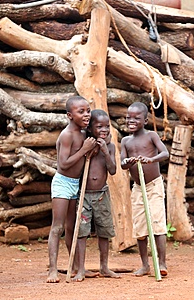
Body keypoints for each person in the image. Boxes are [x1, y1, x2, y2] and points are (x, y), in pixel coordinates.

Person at [47, 95, 97, 283]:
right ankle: (52, 270)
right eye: (81, 111)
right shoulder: (67, 135)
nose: (86, 114)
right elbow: (64, 164)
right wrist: (84, 150)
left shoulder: (85, 134)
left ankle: (75, 267)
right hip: (63, 183)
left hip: (76, 184)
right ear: (69, 115)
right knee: (57, 227)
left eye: (88, 110)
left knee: (71, 227)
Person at [120, 102, 169, 277]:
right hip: (138, 188)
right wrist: (128, 162)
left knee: (157, 224)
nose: (131, 120)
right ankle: (145, 265)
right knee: (140, 227)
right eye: (128, 117)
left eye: (136, 118)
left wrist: (150, 159)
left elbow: (165, 153)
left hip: (154, 186)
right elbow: (122, 163)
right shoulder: (126, 141)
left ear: (145, 120)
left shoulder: (151, 136)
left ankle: (162, 263)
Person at [73, 109, 120, 282]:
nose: (104, 129)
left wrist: (105, 152)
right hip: (84, 194)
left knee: (104, 230)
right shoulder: (85, 143)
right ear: (90, 128)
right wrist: (89, 151)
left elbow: (113, 170)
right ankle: (81, 269)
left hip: (101, 194)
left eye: (107, 126)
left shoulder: (110, 146)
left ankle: (104, 266)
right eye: (99, 126)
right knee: (82, 232)